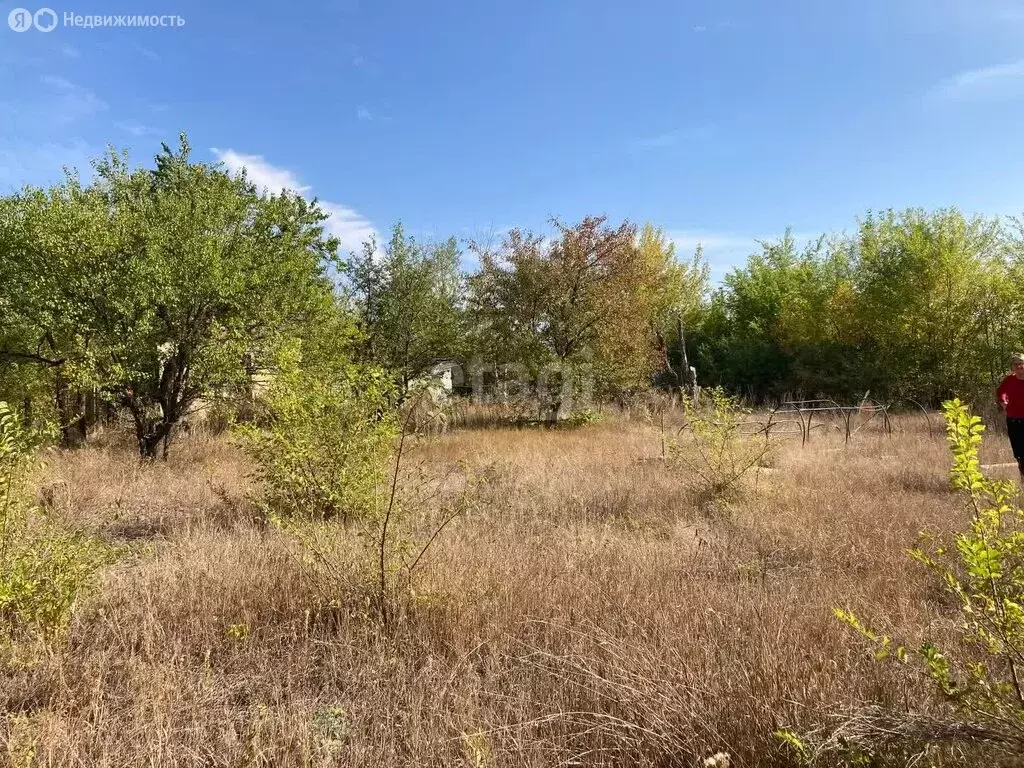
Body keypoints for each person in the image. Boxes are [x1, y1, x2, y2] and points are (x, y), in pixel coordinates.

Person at [996, 353, 1024, 477]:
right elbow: (1001, 391)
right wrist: (1003, 401)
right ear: (1013, 367)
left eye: (1021, 365)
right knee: (1019, 453)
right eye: (1016, 365)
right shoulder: (1010, 380)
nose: (1019, 368)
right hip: (1013, 420)